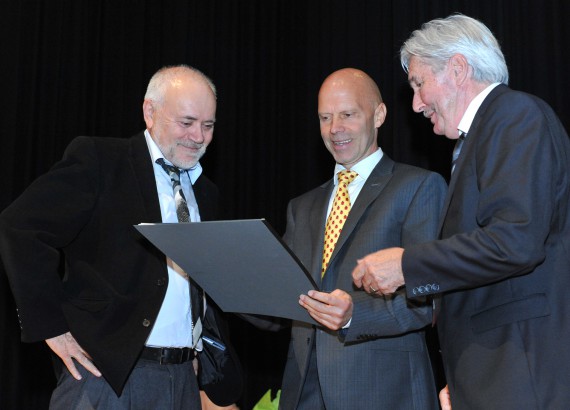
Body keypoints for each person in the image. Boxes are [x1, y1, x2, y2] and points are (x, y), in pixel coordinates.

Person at [352, 14, 570, 410]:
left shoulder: (514, 116)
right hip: (494, 374)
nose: (416, 104)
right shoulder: (481, 136)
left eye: (419, 84)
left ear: (457, 68)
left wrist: (407, 265)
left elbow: (515, 242)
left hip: (522, 372)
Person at [0, 65, 242, 409]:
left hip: (183, 379)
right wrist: (50, 328)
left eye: (208, 125)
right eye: (186, 123)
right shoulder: (101, 160)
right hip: (108, 377)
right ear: (150, 112)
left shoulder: (206, 192)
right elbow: (20, 227)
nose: (198, 137)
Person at [279, 68, 447, 409]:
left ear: (379, 115)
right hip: (304, 394)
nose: (334, 128)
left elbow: (428, 300)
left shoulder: (418, 188)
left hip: (385, 393)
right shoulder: (302, 207)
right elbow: (281, 297)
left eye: (347, 115)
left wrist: (355, 315)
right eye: (325, 117)